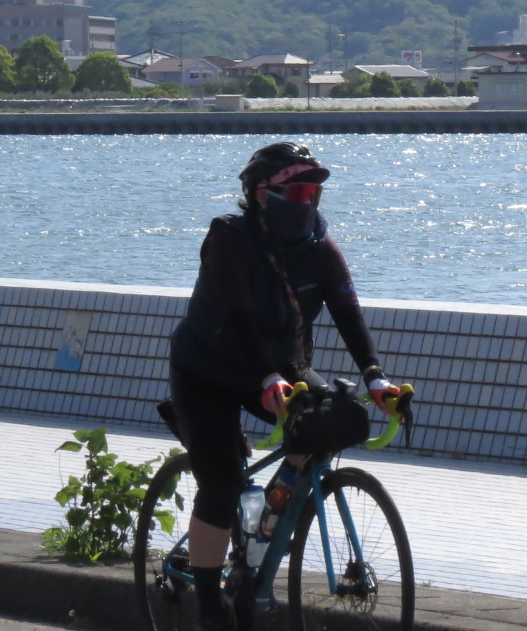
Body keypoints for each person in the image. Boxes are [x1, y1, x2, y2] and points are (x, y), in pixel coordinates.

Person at [167, 142, 401, 631]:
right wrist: (267, 376)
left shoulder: (318, 243)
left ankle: (263, 531)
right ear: (260, 193)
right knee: (221, 482)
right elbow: (239, 317)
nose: (307, 202)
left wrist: (374, 376)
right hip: (208, 370)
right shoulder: (229, 238)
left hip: (276, 365)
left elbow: (346, 309)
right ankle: (209, 607)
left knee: (331, 421)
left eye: (313, 193)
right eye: (296, 192)